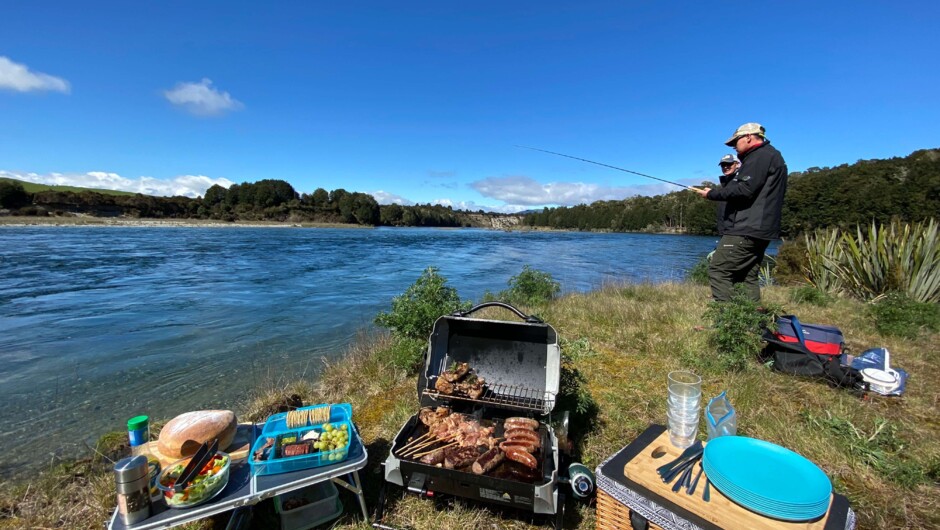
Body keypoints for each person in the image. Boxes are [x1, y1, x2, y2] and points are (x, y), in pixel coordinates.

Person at [694, 123, 788, 302]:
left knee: (719, 269)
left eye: (735, 142)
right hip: (760, 228)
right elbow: (746, 188)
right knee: (746, 276)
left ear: (749, 137)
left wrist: (711, 194)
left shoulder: (759, 156)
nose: (734, 146)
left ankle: (728, 323)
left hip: (747, 227)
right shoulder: (771, 156)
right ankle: (752, 324)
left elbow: (745, 189)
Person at [715, 154, 740, 235]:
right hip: (725, 231)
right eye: (723, 165)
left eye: (729, 164)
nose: (725, 167)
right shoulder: (726, 184)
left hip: (736, 231)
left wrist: (711, 194)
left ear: (737, 164)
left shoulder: (740, 181)